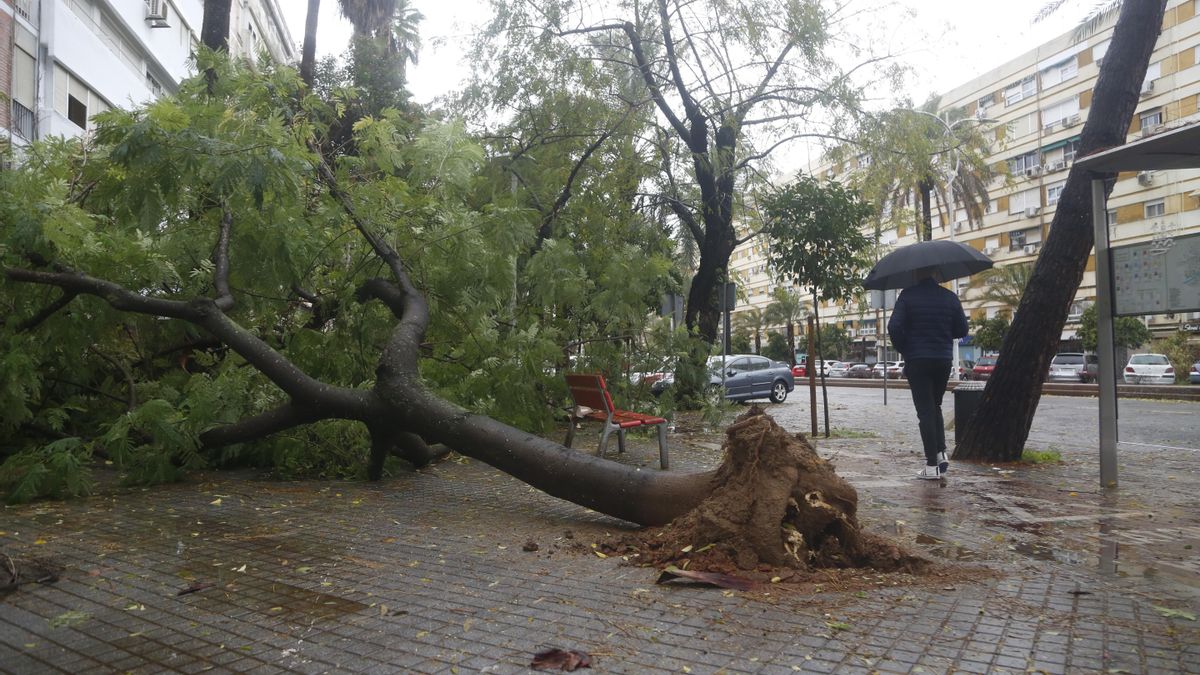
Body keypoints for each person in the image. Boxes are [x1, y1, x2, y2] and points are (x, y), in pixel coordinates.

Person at [887, 267, 969, 480]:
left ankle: (931, 465)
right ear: (936, 274)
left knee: (925, 410)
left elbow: (894, 327)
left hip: (917, 360)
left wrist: (905, 348)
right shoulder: (950, 297)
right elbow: (962, 330)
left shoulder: (907, 296)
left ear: (916, 274)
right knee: (936, 405)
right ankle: (941, 453)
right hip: (943, 360)